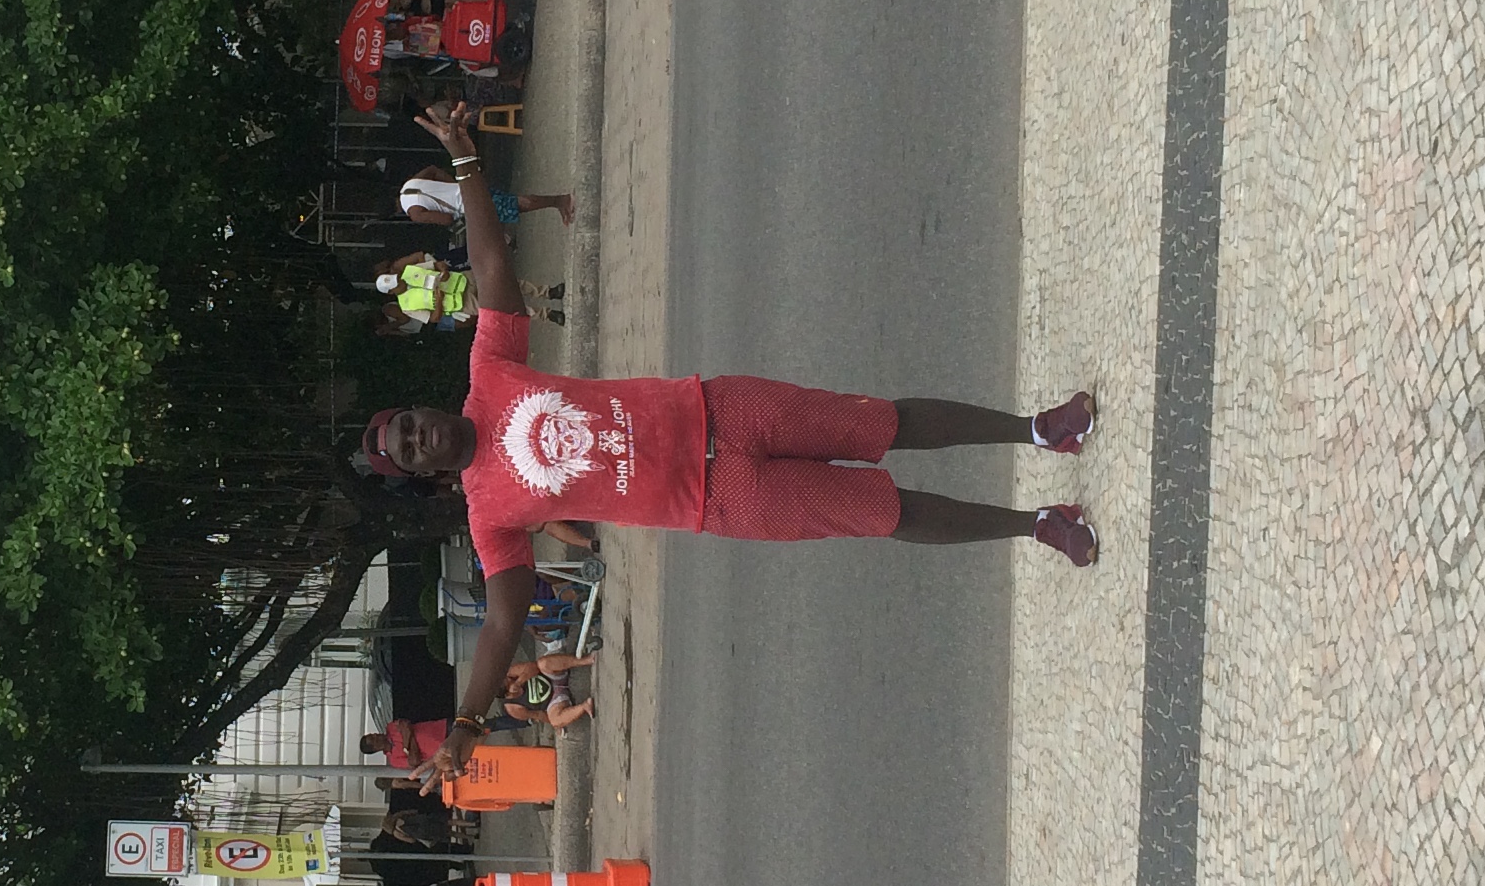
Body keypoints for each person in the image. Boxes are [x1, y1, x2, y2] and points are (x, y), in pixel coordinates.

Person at [362, 100, 1102, 767]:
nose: (419, 438)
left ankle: (1037, 429)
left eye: (411, 426)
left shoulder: (490, 366)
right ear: (425, 473)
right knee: (887, 512)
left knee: (883, 422)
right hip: (722, 497)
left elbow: (492, 262)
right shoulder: (488, 511)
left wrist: (463, 157)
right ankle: (1038, 525)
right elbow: (501, 621)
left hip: (722, 410)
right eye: (409, 451)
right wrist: (466, 719)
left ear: (425, 410)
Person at [403, 169, 575, 236]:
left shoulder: (415, 213)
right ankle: (556, 203)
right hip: (469, 188)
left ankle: (560, 200)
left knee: (516, 204)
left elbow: (446, 219)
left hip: (471, 205)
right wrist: (454, 185)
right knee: (512, 202)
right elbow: (433, 170)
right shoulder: (410, 184)